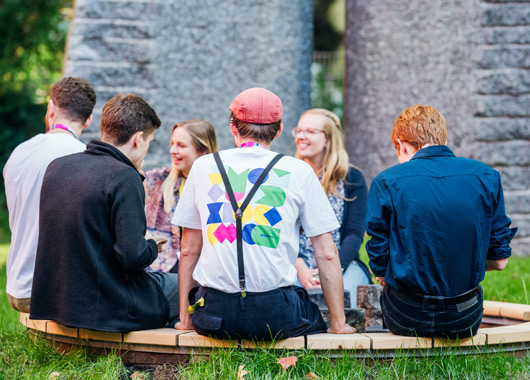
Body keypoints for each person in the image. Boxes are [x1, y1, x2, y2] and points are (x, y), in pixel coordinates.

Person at [172, 87, 354, 340]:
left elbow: (189, 250)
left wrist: (185, 320)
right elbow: (327, 253)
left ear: (233, 127)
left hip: (214, 316)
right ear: (279, 130)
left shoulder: (203, 167)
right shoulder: (298, 170)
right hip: (274, 316)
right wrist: (338, 324)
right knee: (310, 312)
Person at [30, 94, 179, 333]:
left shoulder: (57, 166)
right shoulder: (124, 176)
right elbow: (132, 258)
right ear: (139, 139)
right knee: (187, 287)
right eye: (149, 142)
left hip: (59, 304)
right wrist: (152, 245)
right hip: (108, 307)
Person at [365, 104, 517, 339]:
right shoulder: (487, 176)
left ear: (401, 144)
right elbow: (500, 262)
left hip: (407, 316)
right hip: (465, 317)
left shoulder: (386, 181)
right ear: (442, 138)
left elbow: (381, 268)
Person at [3, 77, 96, 313]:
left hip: (17, 287)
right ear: (89, 120)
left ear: (51, 108)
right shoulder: (85, 158)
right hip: (52, 293)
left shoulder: (19, 152)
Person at [292, 108, 371, 307]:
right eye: (299, 130)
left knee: (347, 299)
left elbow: (354, 233)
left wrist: (333, 270)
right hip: (295, 264)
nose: (301, 136)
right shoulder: (288, 176)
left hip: (343, 264)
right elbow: (279, 232)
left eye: (310, 131)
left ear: (328, 139)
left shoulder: (352, 178)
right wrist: (300, 268)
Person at [144, 120, 217, 273]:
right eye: (172, 143)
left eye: (181, 145)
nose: (172, 150)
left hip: (206, 268)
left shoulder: (220, 186)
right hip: (164, 269)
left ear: (203, 151)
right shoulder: (153, 180)